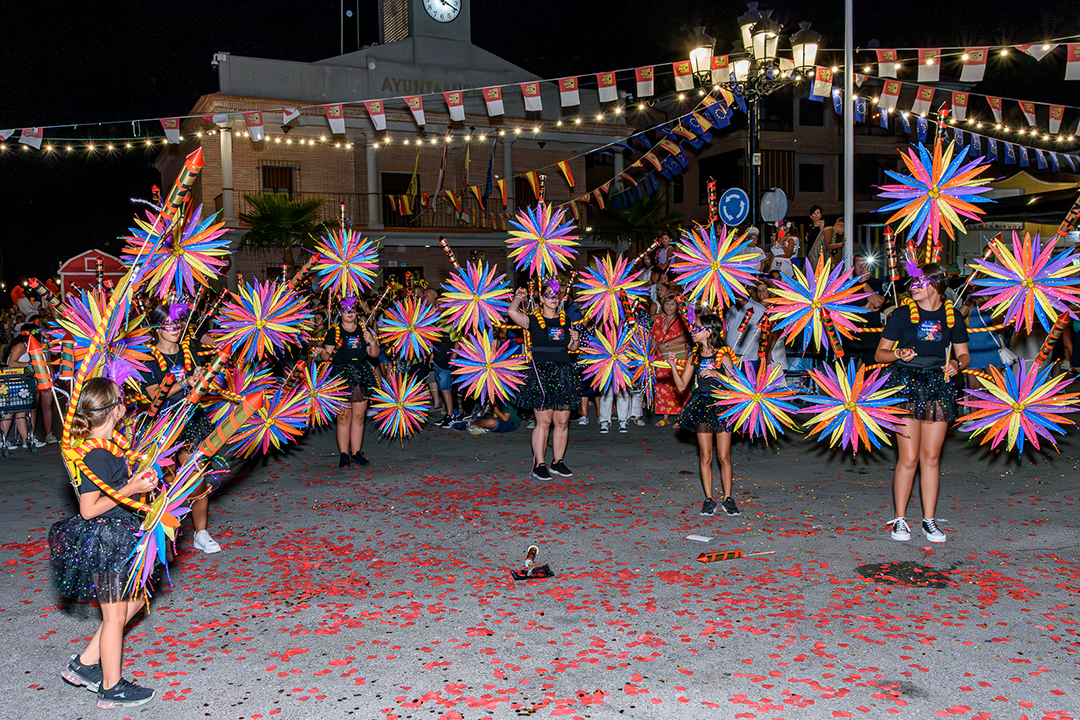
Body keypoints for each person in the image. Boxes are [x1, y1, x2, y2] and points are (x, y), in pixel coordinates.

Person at [49, 377, 157, 708]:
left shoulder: (110, 447)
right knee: (113, 617)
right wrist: (129, 490)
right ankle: (111, 687)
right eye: (122, 400)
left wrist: (140, 480)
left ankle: (83, 665)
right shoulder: (96, 455)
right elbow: (88, 509)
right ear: (114, 410)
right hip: (105, 540)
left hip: (120, 534)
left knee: (135, 602)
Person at [875, 263, 970, 544]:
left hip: (938, 386)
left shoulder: (952, 316)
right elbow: (880, 354)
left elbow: (965, 356)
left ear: (934, 284)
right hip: (906, 385)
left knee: (931, 458)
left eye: (917, 283)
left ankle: (929, 521)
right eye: (911, 283)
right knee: (909, 458)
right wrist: (897, 353)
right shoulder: (902, 315)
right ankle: (900, 519)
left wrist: (956, 363)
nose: (911, 287)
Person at [140, 305, 220, 553]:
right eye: (167, 323)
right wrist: (184, 382)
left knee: (196, 475)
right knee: (166, 481)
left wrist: (203, 375)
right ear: (156, 327)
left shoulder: (192, 347)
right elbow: (154, 395)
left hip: (191, 421)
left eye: (178, 322)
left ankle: (201, 533)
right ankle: (162, 531)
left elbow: (208, 377)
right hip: (161, 424)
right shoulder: (148, 356)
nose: (174, 328)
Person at [507, 280, 581, 480]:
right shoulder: (532, 319)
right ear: (541, 298)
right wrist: (518, 297)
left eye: (556, 295)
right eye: (549, 294)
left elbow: (572, 349)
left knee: (562, 421)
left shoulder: (565, 320)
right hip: (541, 373)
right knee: (544, 420)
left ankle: (558, 462)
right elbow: (512, 314)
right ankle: (540, 463)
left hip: (563, 372)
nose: (553, 298)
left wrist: (575, 339)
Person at [670, 311, 740, 517]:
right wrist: (674, 366)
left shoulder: (724, 355)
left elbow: (738, 384)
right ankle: (709, 499)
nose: (693, 331)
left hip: (723, 405)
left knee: (724, 456)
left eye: (697, 329)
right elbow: (682, 385)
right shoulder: (694, 356)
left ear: (708, 332)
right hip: (701, 406)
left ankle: (728, 498)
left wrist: (718, 373)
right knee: (705, 456)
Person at [316, 297, 379, 467]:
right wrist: (326, 350)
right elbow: (326, 357)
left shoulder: (363, 330)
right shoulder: (334, 332)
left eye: (352, 309)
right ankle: (344, 455)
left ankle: (356, 453)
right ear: (339, 312)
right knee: (343, 418)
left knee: (359, 417)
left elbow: (374, 354)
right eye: (346, 309)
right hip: (340, 376)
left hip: (361, 375)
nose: (350, 312)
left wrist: (372, 341)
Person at [650, 294, 689, 426]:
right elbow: (654, 337)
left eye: (672, 304)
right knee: (662, 386)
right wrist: (652, 352)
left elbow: (685, 337)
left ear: (677, 306)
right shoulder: (659, 319)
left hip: (676, 357)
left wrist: (666, 344)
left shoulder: (682, 319)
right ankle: (665, 417)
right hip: (660, 357)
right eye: (667, 304)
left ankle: (680, 417)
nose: (669, 307)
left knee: (678, 386)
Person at [724, 293, 767, 367]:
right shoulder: (731, 310)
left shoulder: (758, 308)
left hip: (750, 360)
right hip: (731, 359)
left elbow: (766, 333)